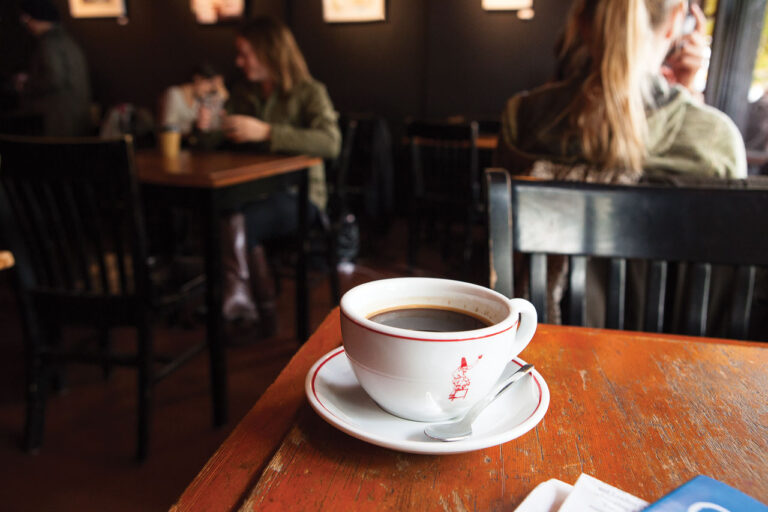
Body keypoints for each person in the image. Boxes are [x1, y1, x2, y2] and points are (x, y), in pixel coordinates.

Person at [495, 0, 747, 327]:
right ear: (675, 23)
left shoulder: (522, 119)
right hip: (675, 363)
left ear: (583, 23)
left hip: (543, 349)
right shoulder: (717, 140)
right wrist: (687, 95)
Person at [197, 17, 341, 338]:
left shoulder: (309, 92)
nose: (238, 61)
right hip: (251, 192)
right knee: (225, 216)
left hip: (302, 197)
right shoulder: (243, 93)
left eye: (245, 53)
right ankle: (253, 310)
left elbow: (331, 143)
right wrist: (206, 129)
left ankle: (248, 310)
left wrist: (266, 132)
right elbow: (216, 142)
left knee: (239, 222)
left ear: (270, 52)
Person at [16, 0, 92, 136]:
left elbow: (54, 78)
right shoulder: (65, 40)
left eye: (28, 19)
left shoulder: (50, 43)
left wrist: (26, 85)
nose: (28, 25)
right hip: (75, 115)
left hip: (60, 117)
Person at [160, 63, 228, 137]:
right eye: (209, 83)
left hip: (189, 143)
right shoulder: (174, 93)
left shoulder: (199, 100)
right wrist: (194, 126)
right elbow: (167, 126)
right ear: (197, 78)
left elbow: (210, 124)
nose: (210, 89)